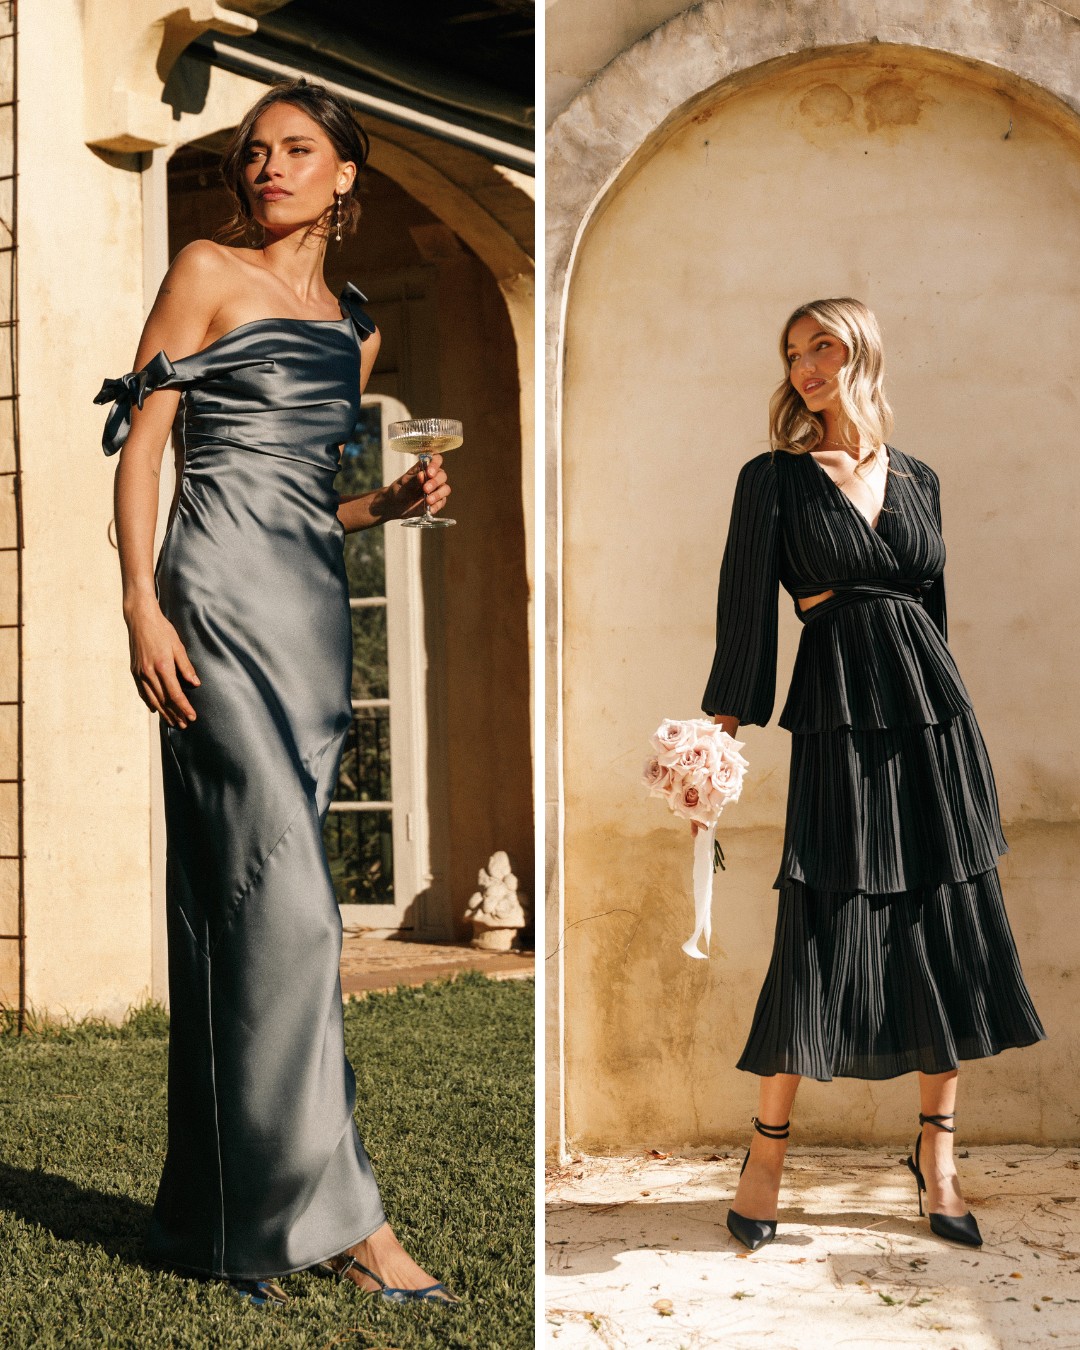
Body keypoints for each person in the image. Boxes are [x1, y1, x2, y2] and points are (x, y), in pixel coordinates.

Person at [95, 78, 457, 1307]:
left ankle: (224, 1219)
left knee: (251, 914)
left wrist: (388, 508)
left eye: (297, 151)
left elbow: (311, 497)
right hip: (211, 607)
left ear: (345, 174)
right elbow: (145, 447)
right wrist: (141, 603)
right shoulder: (203, 269)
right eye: (254, 152)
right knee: (294, 913)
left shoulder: (354, 324)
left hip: (307, 617)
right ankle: (351, 1223)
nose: (269, 168)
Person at [701, 297, 1045, 1253]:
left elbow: (932, 612)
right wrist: (713, 748)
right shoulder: (772, 480)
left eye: (824, 346)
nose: (806, 366)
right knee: (820, 920)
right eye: (793, 352)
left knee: (945, 916)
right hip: (837, 708)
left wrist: (945, 717)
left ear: (864, 353)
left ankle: (937, 1155)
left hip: (934, 715)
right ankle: (766, 1154)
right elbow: (745, 618)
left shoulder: (922, 479)